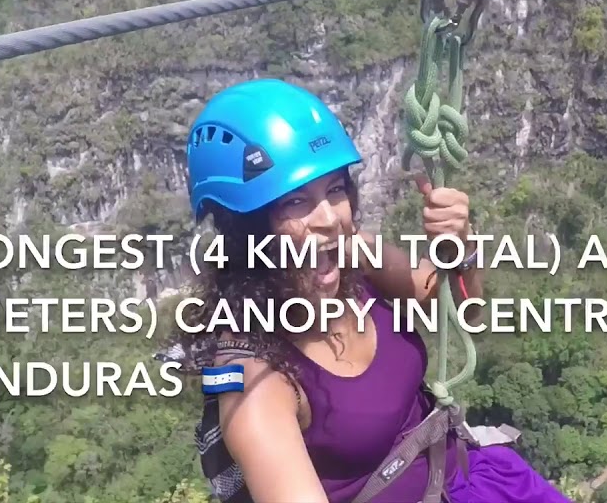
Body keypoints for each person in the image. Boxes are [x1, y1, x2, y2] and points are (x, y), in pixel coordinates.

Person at [162, 78, 571, 503]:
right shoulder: (253, 381)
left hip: (471, 478)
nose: (331, 219)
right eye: (294, 202)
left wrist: (460, 246)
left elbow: (461, 311)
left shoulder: (352, 254)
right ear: (245, 230)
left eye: (335, 189)